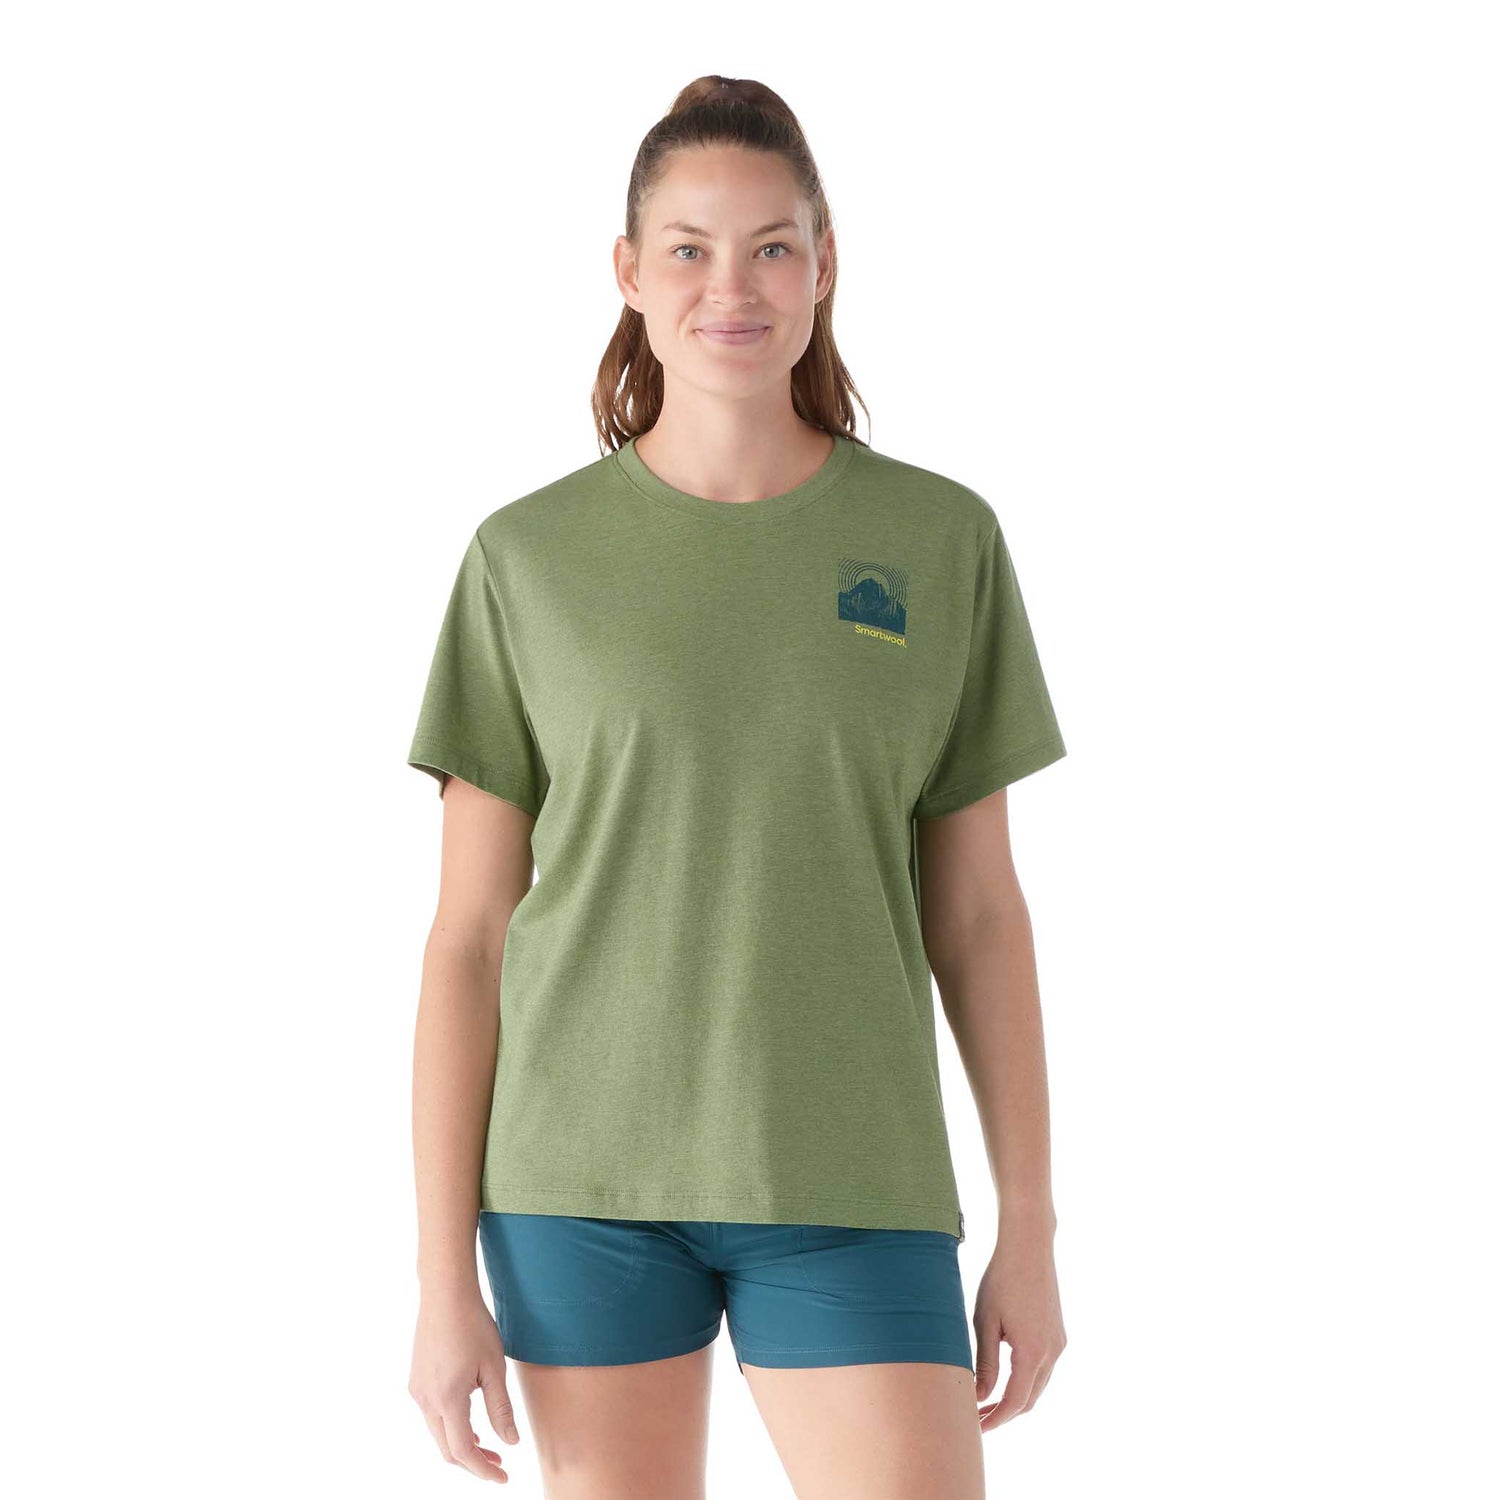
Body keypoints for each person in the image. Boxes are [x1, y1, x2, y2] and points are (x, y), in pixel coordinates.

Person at [405, 75, 1069, 1496]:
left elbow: (979, 918)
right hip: (578, 1186)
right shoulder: (527, 559)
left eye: (772, 245)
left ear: (824, 266)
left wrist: (1033, 1225)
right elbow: (467, 939)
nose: (733, 286)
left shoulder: (940, 541)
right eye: (690, 248)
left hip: (852, 1170)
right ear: (629, 273)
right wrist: (439, 1280)